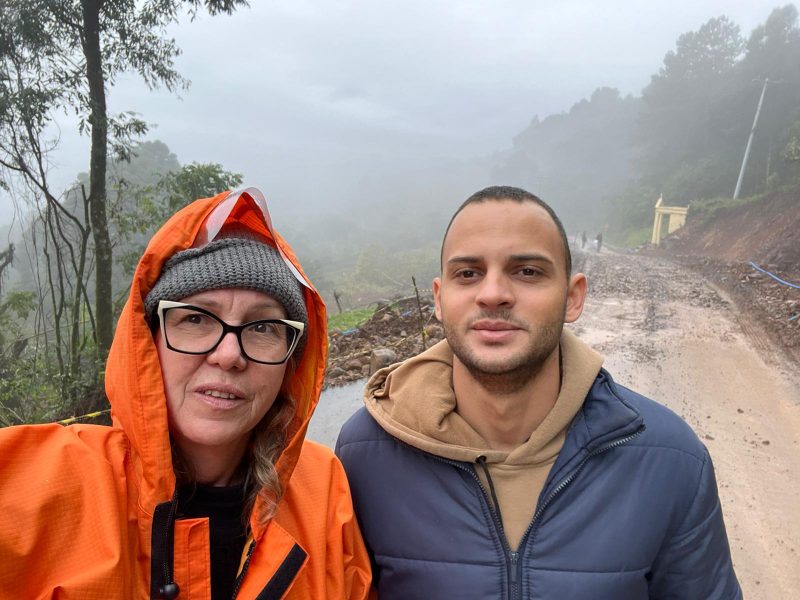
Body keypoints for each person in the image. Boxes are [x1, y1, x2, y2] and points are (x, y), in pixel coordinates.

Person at [336, 185, 741, 599]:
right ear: (440, 300)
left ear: (572, 297)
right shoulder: (363, 455)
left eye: (527, 271)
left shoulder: (670, 460)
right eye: (468, 273)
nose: (493, 294)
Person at [0, 188, 371, 599]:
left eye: (263, 327)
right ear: (149, 342)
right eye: (195, 319)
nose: (228, 355)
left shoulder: (324, 494)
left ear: (290, 362)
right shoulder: (41, 484)